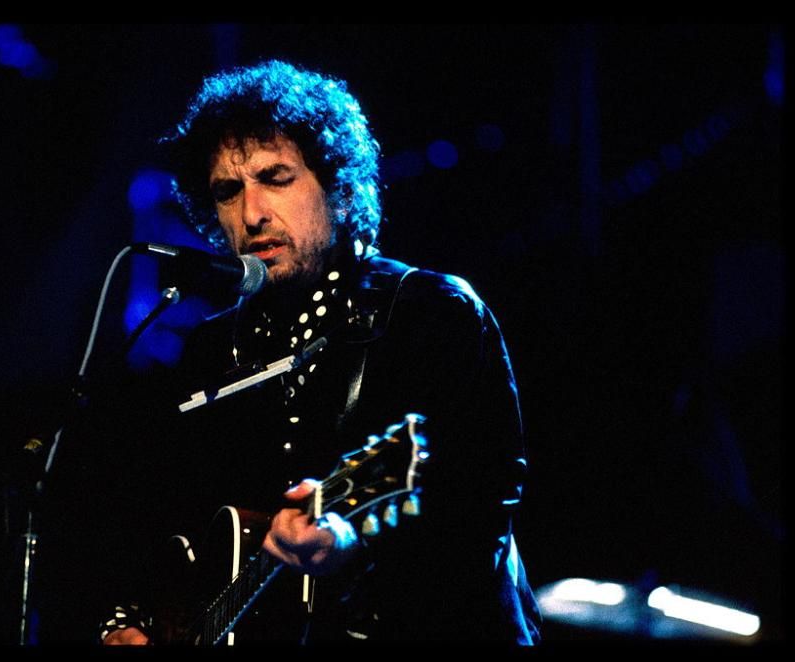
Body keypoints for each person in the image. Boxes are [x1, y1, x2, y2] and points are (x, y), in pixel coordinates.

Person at [78, 59, 540, 645]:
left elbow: (481, 503)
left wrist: (355, 545)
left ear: (340, 189)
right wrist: (129, 619)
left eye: (276, 178)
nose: (251, 214)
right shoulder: (211, 350)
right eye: (228, 191)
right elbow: (162, 520)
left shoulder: (430, 312)